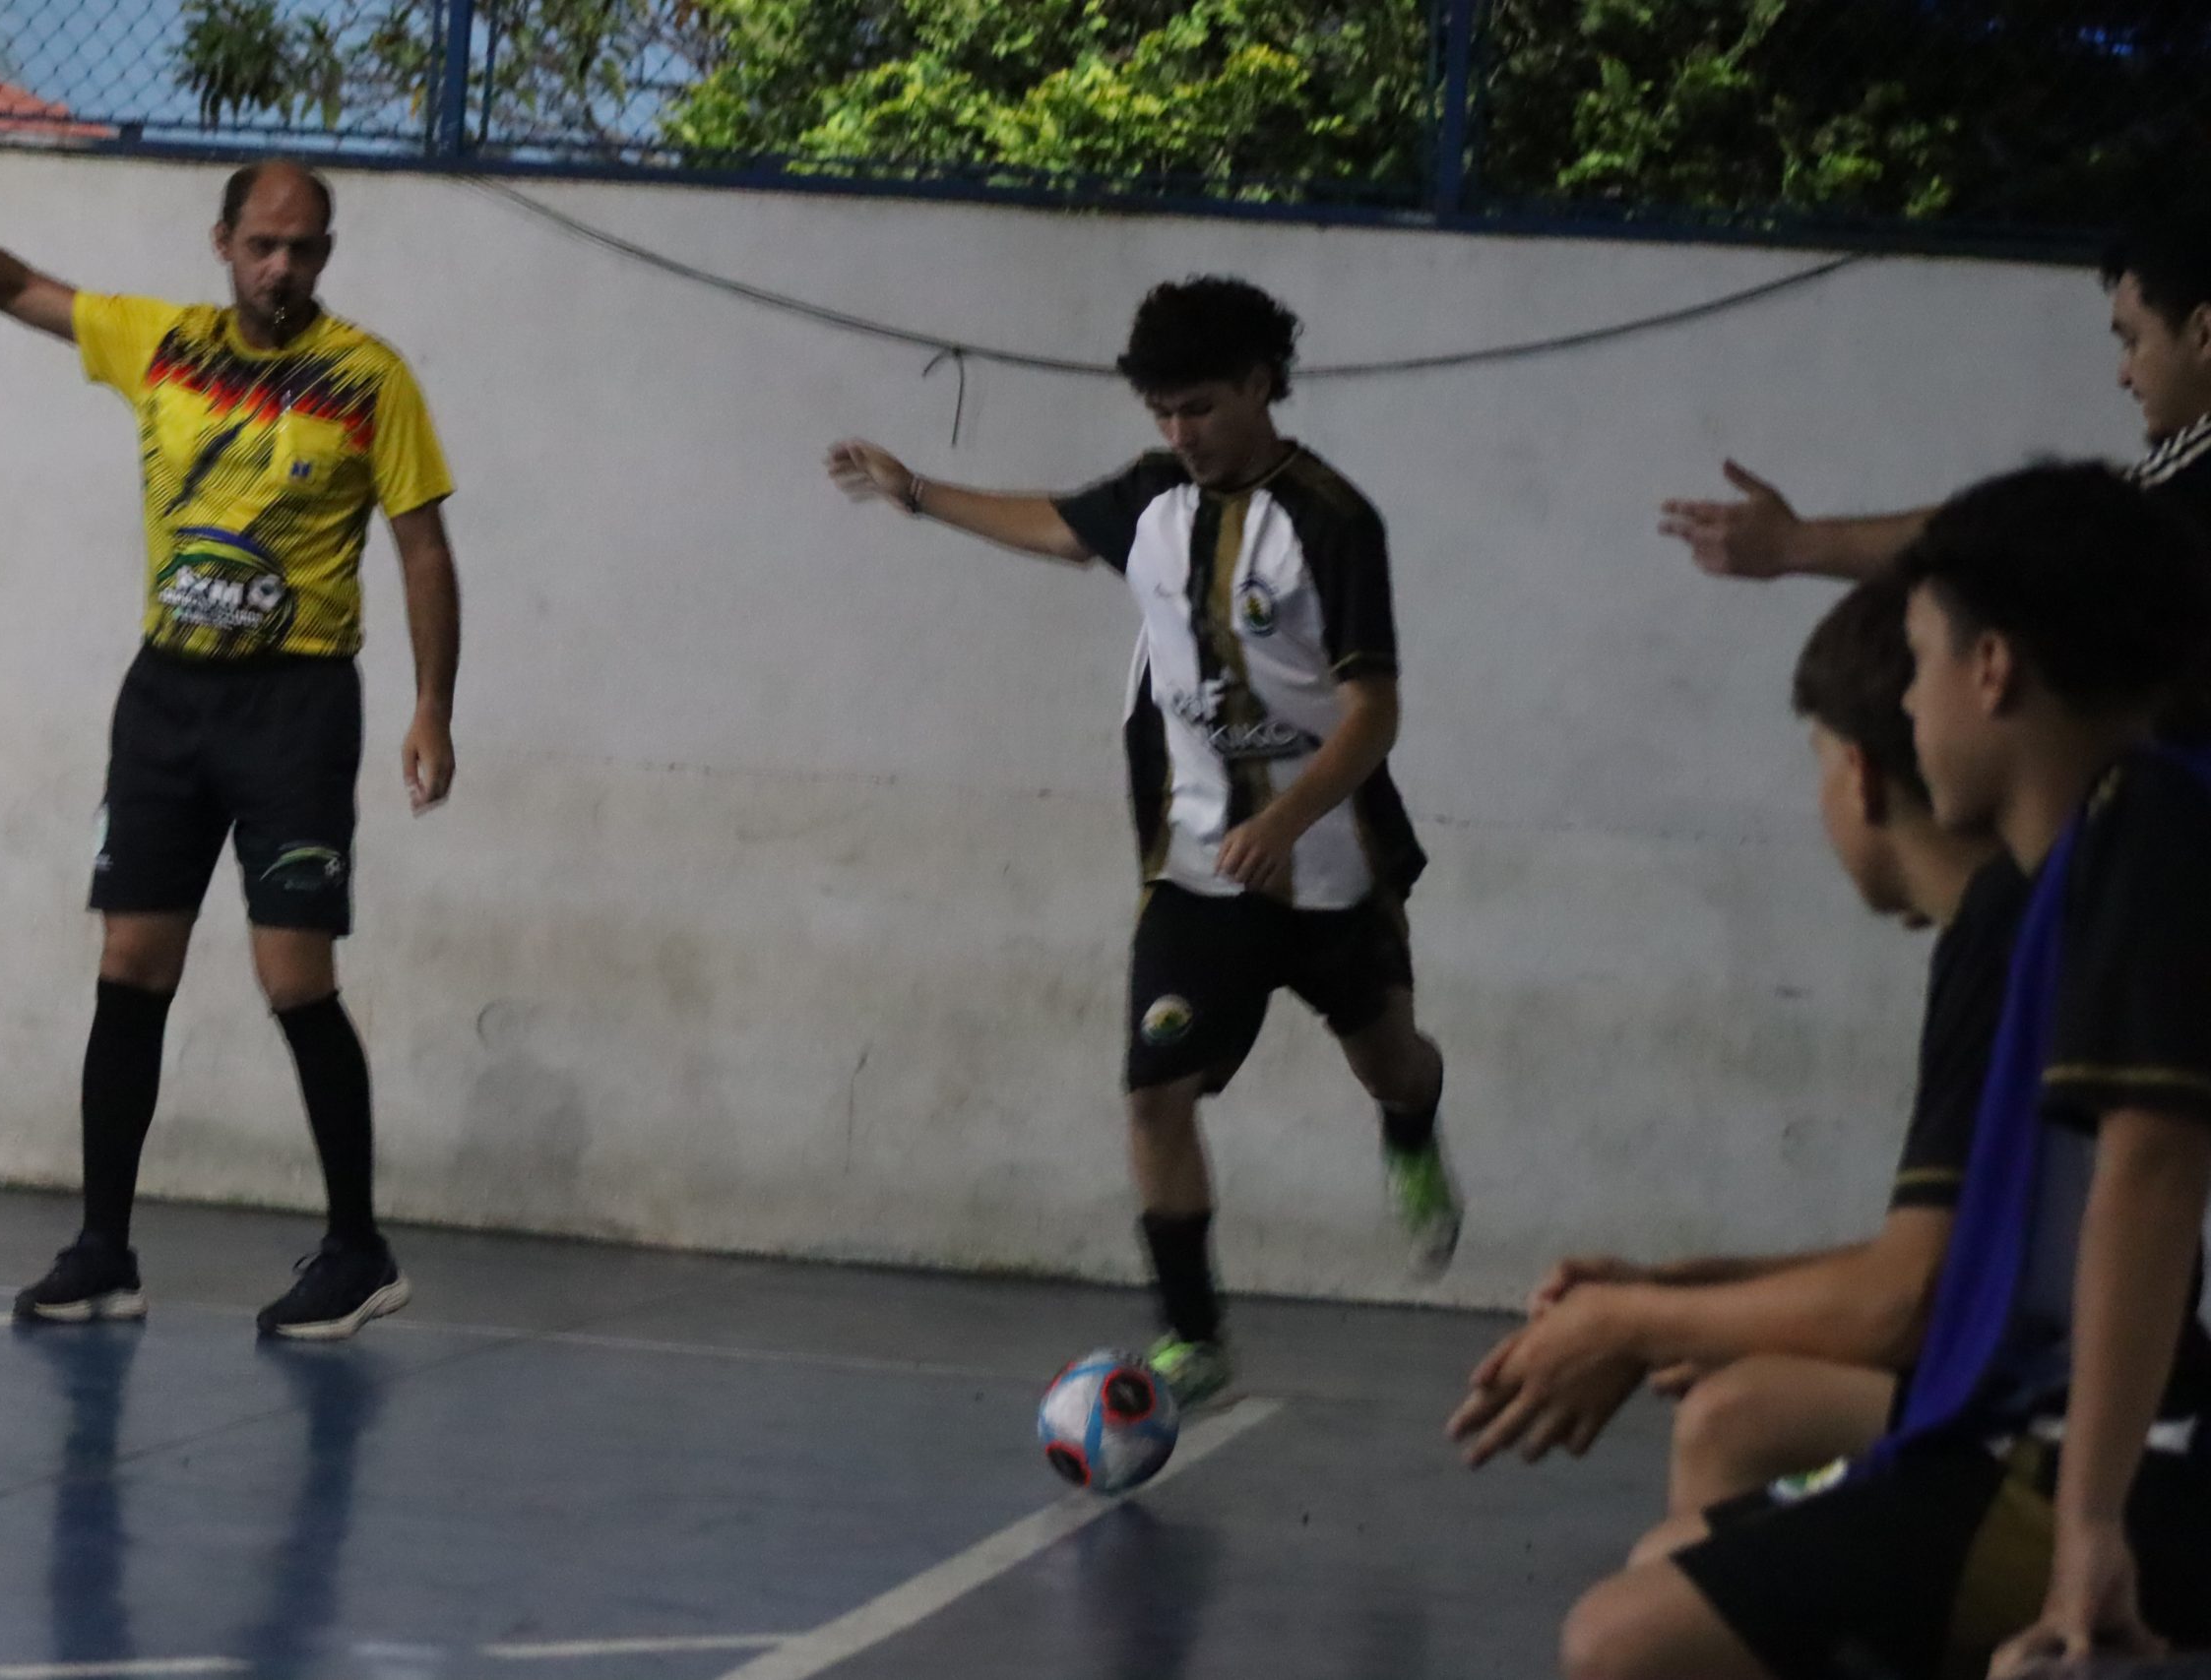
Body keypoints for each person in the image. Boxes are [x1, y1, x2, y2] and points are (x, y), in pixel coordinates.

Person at [1561, 465, 2211, 1680]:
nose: (1905, 707)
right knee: (1679, 1562)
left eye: (1915, 663)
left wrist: (2087, 1527)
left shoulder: (2147, 832)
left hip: (2164, 1450)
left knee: (1622, 1638)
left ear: (1990, 668)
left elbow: (2152, 1175)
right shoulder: (2104, 850)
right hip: (2106, 1425)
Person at [0, 160, 461, 1339]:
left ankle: (359, 1252)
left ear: (326, 257)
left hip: (296, 707)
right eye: (263, 244)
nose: (282, 267)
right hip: (166, 701)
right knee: (130, 966)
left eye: (304, 249)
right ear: (223, 243)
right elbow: (15, 287)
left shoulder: (369, 378)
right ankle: (104, 1254)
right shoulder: (160, 344)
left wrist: (433, 705)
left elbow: (422, 548)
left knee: (295, 978)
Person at [824, 277, 1457, 1409]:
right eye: (1162, 412)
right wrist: (913, 490)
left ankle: (1411, 1130)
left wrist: (1285, 818)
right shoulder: (1154, 498)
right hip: (1195, 869)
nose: (1179, 433)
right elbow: (1057, 527)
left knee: (1389, 1061)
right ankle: (1193, 1334)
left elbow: (1374, 713)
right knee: (1155, 1094)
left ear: (1261, 384)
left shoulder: (1333, 521)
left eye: (1199, 407)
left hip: (1330, 866)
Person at [1447, 578, 2025, 1534]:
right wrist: (1681, 1290)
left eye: (1817, 765)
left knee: (1630, 1612)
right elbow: (1952, 1260)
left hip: (2087, 1430)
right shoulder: (1996, 927)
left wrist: (1630, 1321)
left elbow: (1906, 1302)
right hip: (2062, 1395)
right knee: (1736, 1416)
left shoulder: (2001, 937)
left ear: (1860, 776)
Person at [1662, 211, 2211, 579]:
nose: (2123, 375)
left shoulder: (2178, 491)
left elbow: (2042, 533)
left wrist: (1797, 544)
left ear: (2204, 333)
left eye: (2134, 341)